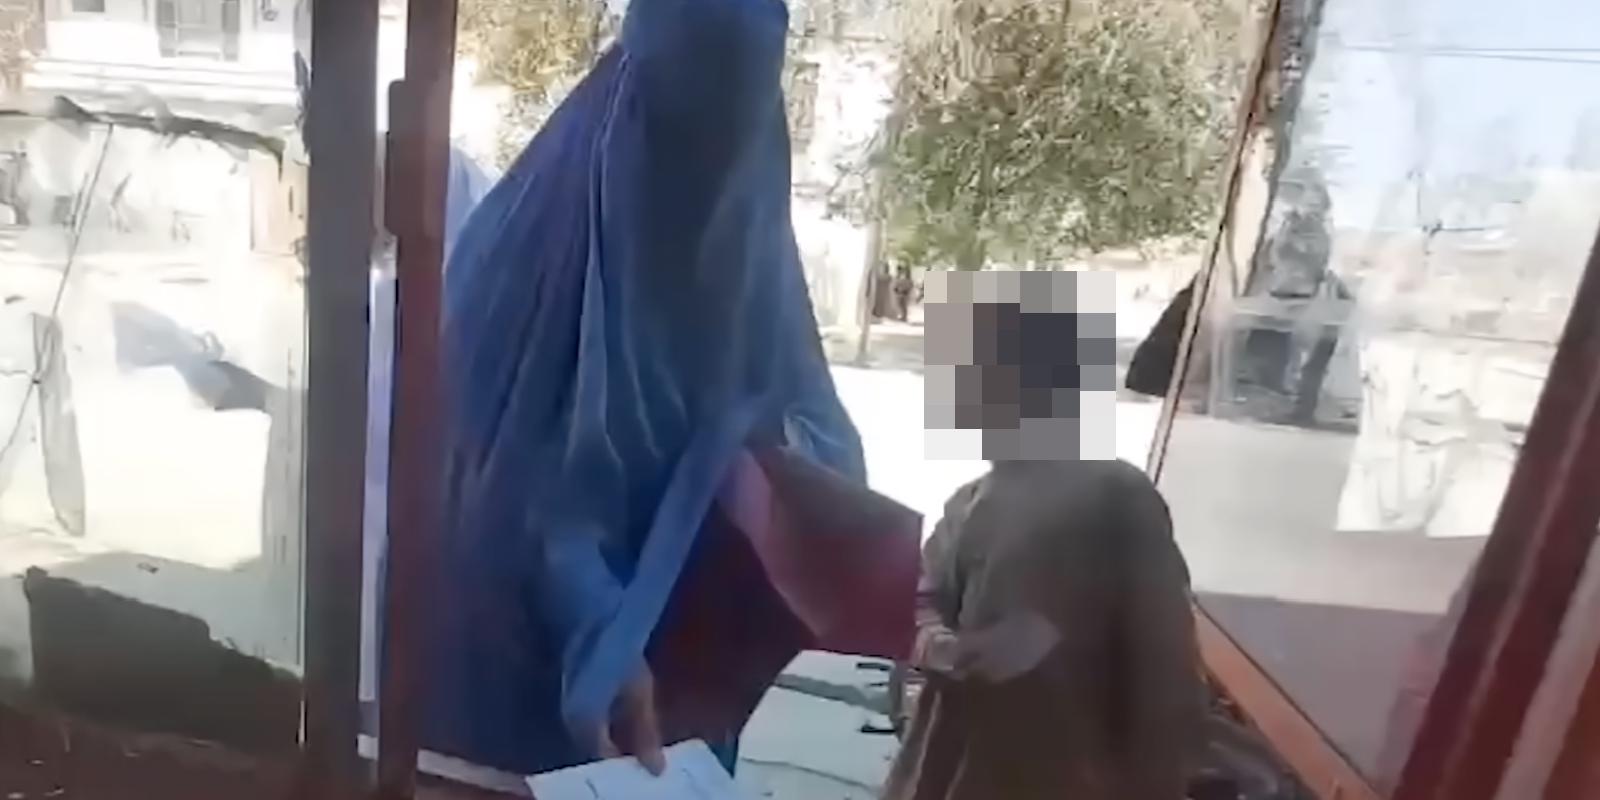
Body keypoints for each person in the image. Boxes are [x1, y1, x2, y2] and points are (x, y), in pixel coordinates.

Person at [422, 0, 918, 779]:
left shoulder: (754, 263)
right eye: (682, 134)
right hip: (501, 701)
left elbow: (817, 450)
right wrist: (598, 625)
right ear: (629, 92)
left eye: (735, 133)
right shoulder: (507, 269)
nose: (707, 172)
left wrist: (762, 492)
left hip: (680, 720)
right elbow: (488, 488)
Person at [888, 273, 1203, 800]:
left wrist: (1158, 771)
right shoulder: (967, 504)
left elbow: (1164, 663)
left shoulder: (1115, 496)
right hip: (960, 763)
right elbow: (918, 600)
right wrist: (941, 645)